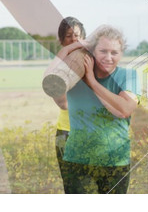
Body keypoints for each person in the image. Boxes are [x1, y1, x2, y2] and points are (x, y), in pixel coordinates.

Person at [62, 25, 140, 194]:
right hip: (77, 161)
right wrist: (71, 48)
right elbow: (56, 94)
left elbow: (124, 109)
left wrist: (92, 82)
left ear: (121, 54)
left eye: (114, 52)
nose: (108, 57)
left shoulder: (129, 76)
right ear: (93, 52)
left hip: (115, 161)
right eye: (103, 51)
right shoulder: (75, 77)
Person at [43, 16, 86, 193]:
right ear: (61, 41)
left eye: (77, 35)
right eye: (69, 36)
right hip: (67, 133)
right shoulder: (58, 69)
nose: (74, 39)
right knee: (74, 189)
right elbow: (63, 104)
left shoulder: (94, 61)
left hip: (94, 133)